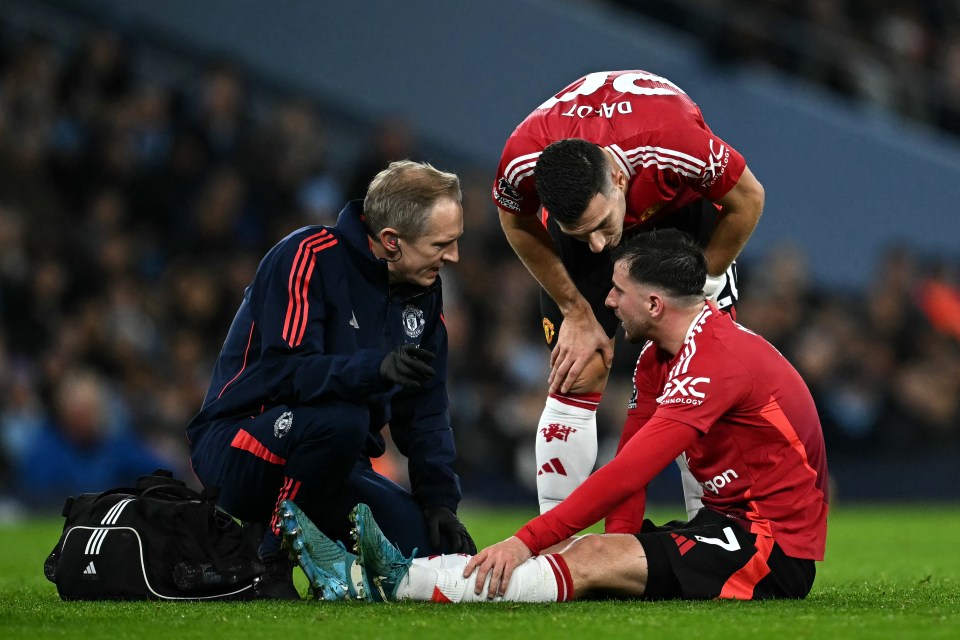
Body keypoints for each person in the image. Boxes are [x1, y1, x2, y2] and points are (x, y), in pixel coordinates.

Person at [283, 230, 828, 603]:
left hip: (772, 547)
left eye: (619, 290)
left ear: (656, 305)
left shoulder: (716, 362)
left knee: (586, 554)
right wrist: (622, 542)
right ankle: (393, 575)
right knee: (587, 553)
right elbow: (628, 477)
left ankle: (392, 583)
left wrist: (528, 539)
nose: (608, 302)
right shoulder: (661, 357)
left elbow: (628, 472)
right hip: (728, 523)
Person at [186, 160, 476, 600]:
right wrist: (374, 368)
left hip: (336, 464)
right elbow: (285, 372)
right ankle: (269, 558)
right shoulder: (308, 256)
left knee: (432, 549)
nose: (453, 257)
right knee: (341, 420)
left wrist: (439, 499)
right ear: (392, 242)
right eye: (442, 244)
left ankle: (285, 537)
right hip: (242, 443)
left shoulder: (423, 289)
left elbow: (426, 408)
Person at [492, 70, 765, 515]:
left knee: (702, 375)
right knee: (576, 368)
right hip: (592, 226)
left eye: (600, 225)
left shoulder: (672, 138)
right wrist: (573, 308)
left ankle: (712, 525)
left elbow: (749, 199)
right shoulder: (524, 157)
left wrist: (705, 282)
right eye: (581, 232)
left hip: (679, 218)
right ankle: (556, 554)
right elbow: (515, 221)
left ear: (619, 179)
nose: (600, 245)